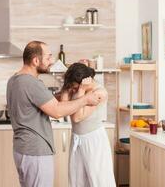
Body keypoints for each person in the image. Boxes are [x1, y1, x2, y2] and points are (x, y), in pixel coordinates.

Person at [6, 41, 100, 187]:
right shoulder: (31, 83)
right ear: (36, 60)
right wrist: (86, 99)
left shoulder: (15, 79)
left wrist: (65, 92)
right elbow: (57, 111)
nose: (51, 62)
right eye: (48, 57)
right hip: (35, 151)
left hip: (23, 149)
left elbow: (43, 100)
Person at [60, 63, 116, 187]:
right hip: (77, 139)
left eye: (74, 88)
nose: (72, 90)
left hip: (94, 141)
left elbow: (77, 117)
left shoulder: (100, 93)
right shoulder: (76, 87)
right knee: (77, 181)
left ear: (83, 82)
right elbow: (64, 107)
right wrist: (69, 88)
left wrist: (81, 90)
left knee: (100, 181)